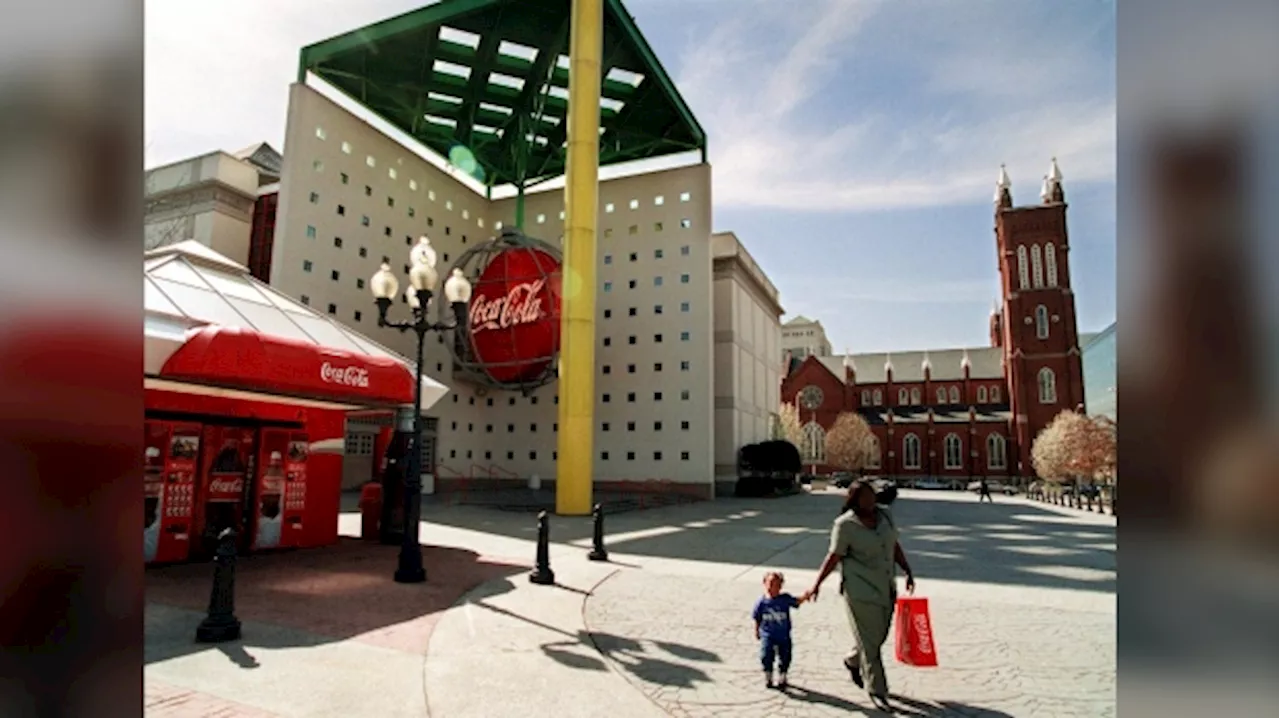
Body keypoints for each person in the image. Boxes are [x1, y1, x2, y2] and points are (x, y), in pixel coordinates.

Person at [807, 480, 915, 711]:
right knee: (870, 642)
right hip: (859, 590)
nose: (870, 500)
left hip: (885, 585)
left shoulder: (885, 516)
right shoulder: (845, 525)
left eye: (872, 495)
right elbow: (833, 557)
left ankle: (853, 660)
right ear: (854, 500)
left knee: (878, 635)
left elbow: (893, 544)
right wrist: (816, 584)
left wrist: (907, 569)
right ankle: (877, 690)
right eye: (864, 497)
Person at [752, 571, 812, 689]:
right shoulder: (761, 602)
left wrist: (805, 597)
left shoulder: (784, 599)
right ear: (764, 584)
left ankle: (783, 675)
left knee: (785, 655)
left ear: (780, 586)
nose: (772, 587)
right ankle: (768, 675)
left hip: (783, 634)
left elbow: (796, 601)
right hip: (767, 634)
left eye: (776, 585)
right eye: (770, 584)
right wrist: (756, 630)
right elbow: (757, 617)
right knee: (766, 655)